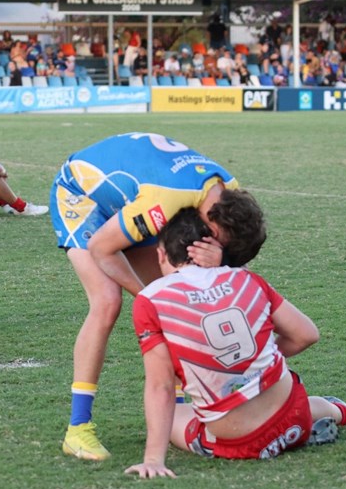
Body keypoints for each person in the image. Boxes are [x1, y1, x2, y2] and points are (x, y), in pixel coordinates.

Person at [52, 132, 267, 461]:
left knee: (176, 301)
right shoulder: (165, 200)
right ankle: (78, 428)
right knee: (108, 302)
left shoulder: (227, 190)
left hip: (131, 199)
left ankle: (177, 411)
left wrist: (217, 265)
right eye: (219, 243)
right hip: (82, 195)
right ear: (212, 223)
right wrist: (149, 296)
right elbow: (101, 249)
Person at [125, 209, 346, 478]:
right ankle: (337, 411)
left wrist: (153, 459)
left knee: (175, 415)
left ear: (161, 254)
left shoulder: (150, 300)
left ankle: (313, 418)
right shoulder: (246, 278)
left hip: (240, 442)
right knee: (295, 405)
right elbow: (306, 334)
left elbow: (161, 386)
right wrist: (257, 364)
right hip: (292, 413)